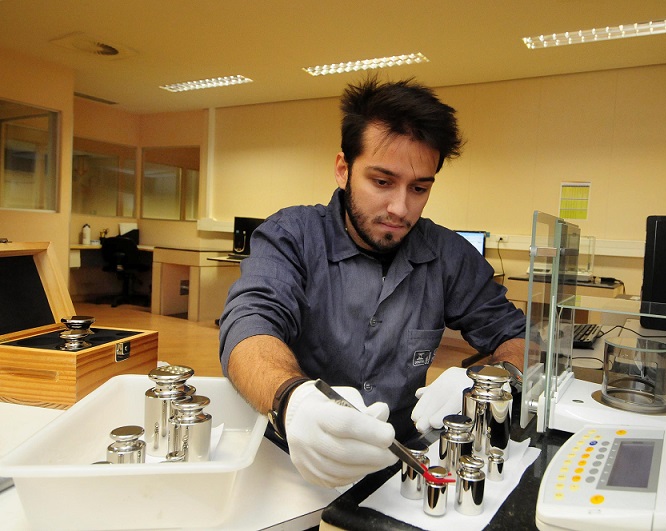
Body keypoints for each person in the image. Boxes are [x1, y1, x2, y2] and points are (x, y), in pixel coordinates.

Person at [218, 76, 527, 488]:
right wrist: (292, 400)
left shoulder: (449, 256)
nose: (400, 208)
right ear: (343, 169)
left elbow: (522, 341)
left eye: (419, 188)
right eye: (382, 182)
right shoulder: (292, 235)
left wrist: (491, 382)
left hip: (399, 465)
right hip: (295, 455)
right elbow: (248, 327)